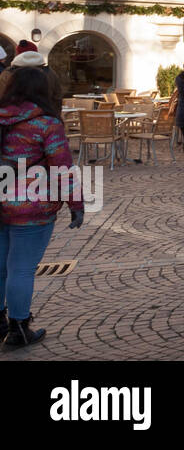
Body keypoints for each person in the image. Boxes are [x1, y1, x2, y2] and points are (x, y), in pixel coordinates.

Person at [0, 61, 84, 348]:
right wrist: (76, 203)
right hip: (32, 207)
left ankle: (1, 321)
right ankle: (19, 328)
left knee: (1, 267)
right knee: (21, 268)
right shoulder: (46, 124)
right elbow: (62, 168)